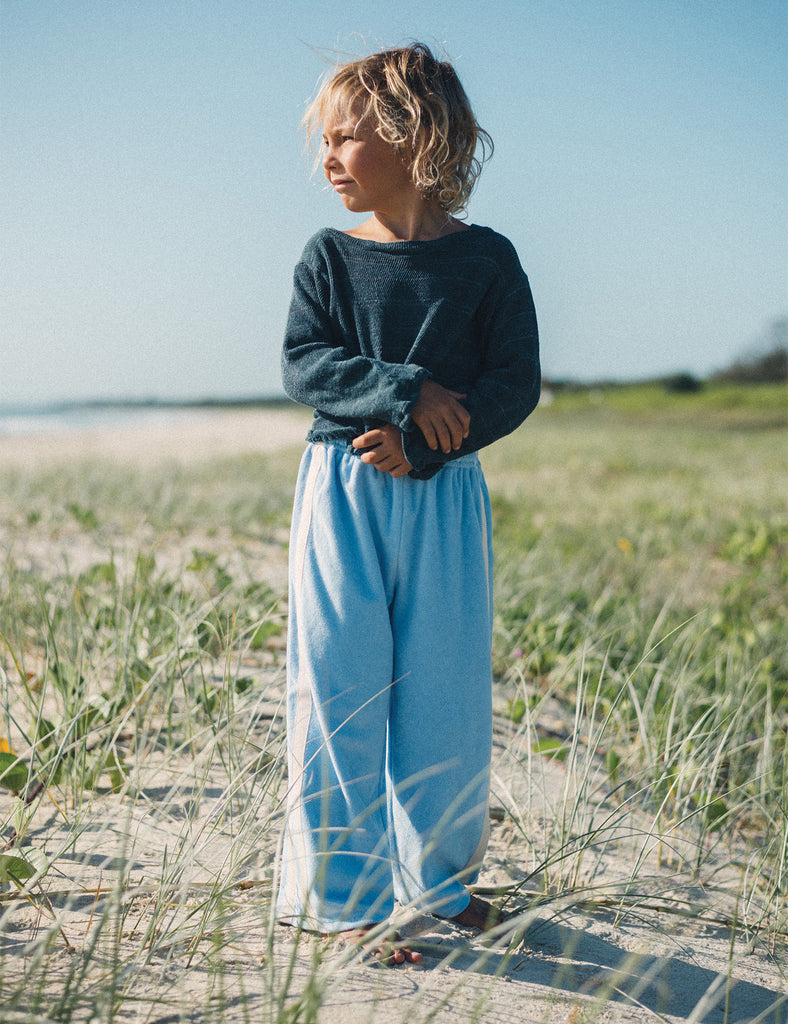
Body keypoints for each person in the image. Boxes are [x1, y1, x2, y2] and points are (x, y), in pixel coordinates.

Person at [277, 43, 540, 964]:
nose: (329, 157)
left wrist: (430, 445)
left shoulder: (488, 261)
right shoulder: (329, 258)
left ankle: (440, 886)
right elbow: (305, 363)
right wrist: (405, 393)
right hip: (343, 490)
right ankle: (343, 902)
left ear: (414, 137)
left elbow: (514, 384)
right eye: (326, 140)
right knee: (338, 692)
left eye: (346, 137)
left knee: (446, 699)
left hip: (446, 496)